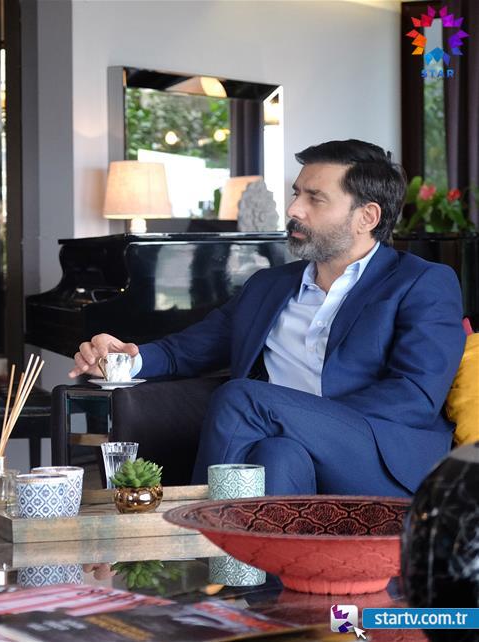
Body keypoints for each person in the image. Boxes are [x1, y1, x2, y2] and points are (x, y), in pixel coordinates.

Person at [69, 139, 466, 496]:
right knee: (276, 454)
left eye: (315, 199)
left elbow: (414, 397)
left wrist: (298, 414)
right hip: (287, 442)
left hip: (381, 456)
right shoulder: (269, 286)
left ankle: (188, 533)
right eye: (296, 193)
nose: (294, 209)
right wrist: (122, 358)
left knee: (243, 398)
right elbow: (185, 350)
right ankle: (255, 558)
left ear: (367, 217)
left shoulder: (421, 283)